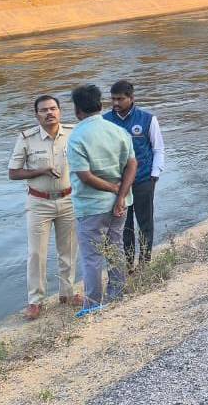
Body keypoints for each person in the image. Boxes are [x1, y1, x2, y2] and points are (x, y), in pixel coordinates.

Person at [8, 95, 82, 320]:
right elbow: (13, 172)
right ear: (36, 115)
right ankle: (35, 301)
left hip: (69, 199)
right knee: (36, 253)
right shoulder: (26, 138)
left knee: (68, 250)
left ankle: (67, 294)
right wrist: (39, 171)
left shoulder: (73, 133)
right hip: (39, 202)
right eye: (44, 110)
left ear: (60, 111)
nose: (49, 113)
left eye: (53, 109)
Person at [67, 84, 138, 314]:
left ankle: (93, 305)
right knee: (116, 248)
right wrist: (120, 195)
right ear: (100, 105)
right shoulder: (118, 130)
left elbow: (84, 176)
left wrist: (111, 189)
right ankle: (117, 295)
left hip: (91, 207)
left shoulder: (76, 136)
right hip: (120, 205)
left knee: (92, 258)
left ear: (78, 110)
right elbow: (132, 164)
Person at [103, 80, 165, 268]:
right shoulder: (105, 121)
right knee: (123, 225)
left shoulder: (147, 119)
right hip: (116, 184)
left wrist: (154, 175)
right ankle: (128, 264)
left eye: (120, 99)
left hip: (143, 180)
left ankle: (144, 262)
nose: (115, 103)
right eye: (113, 99)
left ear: (131, 98)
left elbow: (158, 149)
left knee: (145, 223)